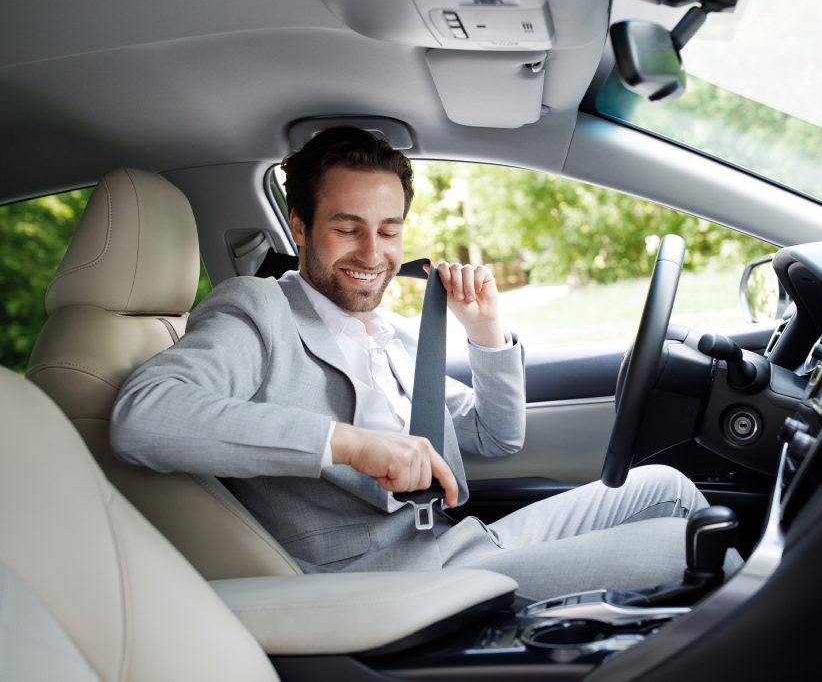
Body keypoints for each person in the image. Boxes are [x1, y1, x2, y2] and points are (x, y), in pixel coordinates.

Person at [111, 126, 729, 600]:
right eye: (347, 228)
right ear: (299, 227)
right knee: (698, 552)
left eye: (388, 230)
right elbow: (145, 416)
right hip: (389, 583)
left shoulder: (391, 332)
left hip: (460, 543)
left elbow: (497, 437)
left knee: (669, 487)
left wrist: (485, 334)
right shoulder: (257, 312)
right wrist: (349, 444)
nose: (372, 253)